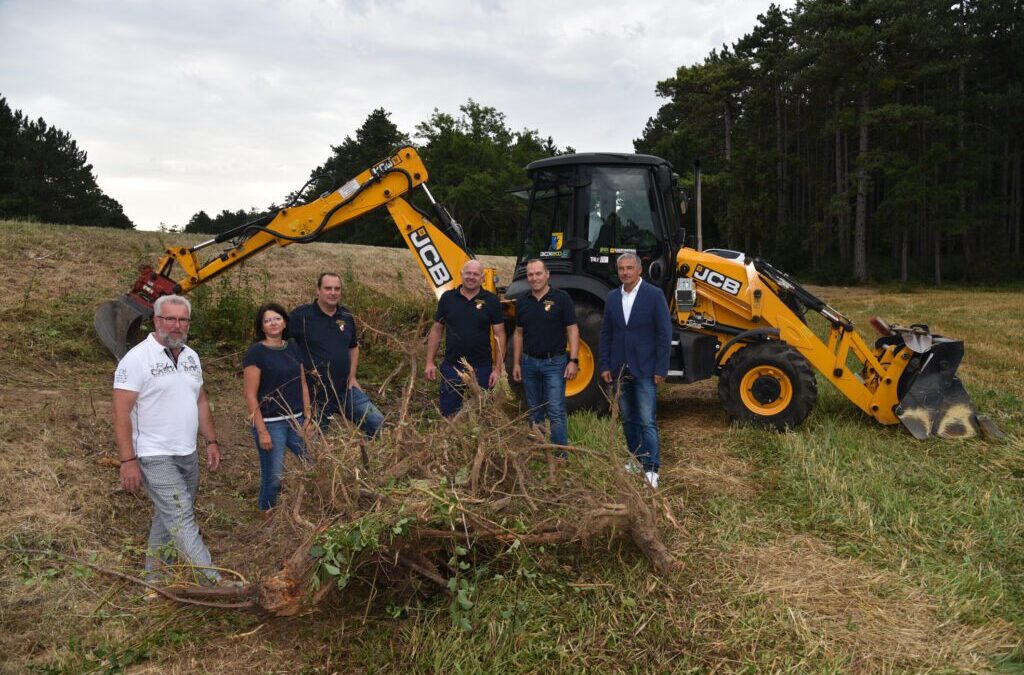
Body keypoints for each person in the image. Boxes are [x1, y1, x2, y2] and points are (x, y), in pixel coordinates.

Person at [112, 294, 223, 583]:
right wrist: (128, 460)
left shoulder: (191, 356)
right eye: (170, 319)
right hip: (153, 454)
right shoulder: (136, 359)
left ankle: (155, 583)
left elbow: (199, 400)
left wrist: (210, 440)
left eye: (182, 319)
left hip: (187, 452)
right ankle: (214, 584)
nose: (176, 325)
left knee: (169, 518)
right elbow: (121, 412)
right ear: (156, 320)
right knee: (182, 517)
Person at [598, 252, 672, 489]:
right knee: (628, 419)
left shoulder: (654, 295)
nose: (625, 273)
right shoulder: (611, 298)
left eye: (630, 268)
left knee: (646, 420)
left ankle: (652, 469)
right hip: (620, 368)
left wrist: (661, 367)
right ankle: (636, 460)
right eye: (621, 269)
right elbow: (606, 334)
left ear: (639, 270)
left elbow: (664, 334)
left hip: (645, 369)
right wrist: (605, 364)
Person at [289, 272, 384, 437]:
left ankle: (365, 458)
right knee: (316, 441)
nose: (333, 292)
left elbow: (353, 347)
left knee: (376, 421)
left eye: (337, 289)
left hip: (344, 389)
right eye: (328, 288)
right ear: (318, 290)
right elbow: (279, 342)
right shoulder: (301, 316)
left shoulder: (346, 316)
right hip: (315, 393)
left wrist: (352, 377)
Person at [243, 303, 312, 516]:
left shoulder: (292, 347)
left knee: (313, 462)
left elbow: (302, 382)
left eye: (277, 318)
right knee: (273, 475)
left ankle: (312, 505)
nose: (273, 323)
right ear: (262, 327)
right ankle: (266, 512)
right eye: (267, 320)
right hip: (272, 423)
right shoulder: (256, 352)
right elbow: (250, 395)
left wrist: (308, 416)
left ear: (284, 322)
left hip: (297, 420)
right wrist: (262, 430)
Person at [511, 259, 579, 451]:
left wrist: (573, 360)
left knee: (556, 411)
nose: (534, 278)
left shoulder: (562, 298)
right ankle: (540, 451)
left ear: (547, 274)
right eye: (531, 275)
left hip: (554, 363)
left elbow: (572, 330)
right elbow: (518, 333)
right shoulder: (523, 301)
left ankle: (560, 455)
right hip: (529, 363)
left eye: (538, 273)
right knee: (534, 410)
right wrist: (516, 363)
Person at [424, 259, 506, 416]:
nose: (471, 277)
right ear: (461, 275)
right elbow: (436, 330)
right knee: (448, 414)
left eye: (476, 274)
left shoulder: (491, 300)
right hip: (452, 367)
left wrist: (497, 369)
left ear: (482, 278)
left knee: (483, 413)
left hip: (482, 368)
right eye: (468, 273)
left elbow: (500, 334)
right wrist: (429, 362)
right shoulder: (447, 298)